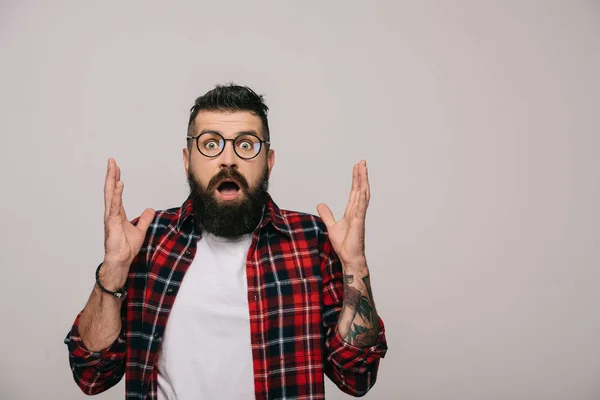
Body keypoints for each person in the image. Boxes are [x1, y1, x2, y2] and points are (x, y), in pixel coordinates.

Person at [64, 84, 388, 399]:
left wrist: (355, 264)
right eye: (210, 144)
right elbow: (92, 375)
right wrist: (114, 268)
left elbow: (355, 377)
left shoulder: (314, 241)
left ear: (269, 161)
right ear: (187, 159)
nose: (228, 160)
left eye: (246, 145)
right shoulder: (146, 241)